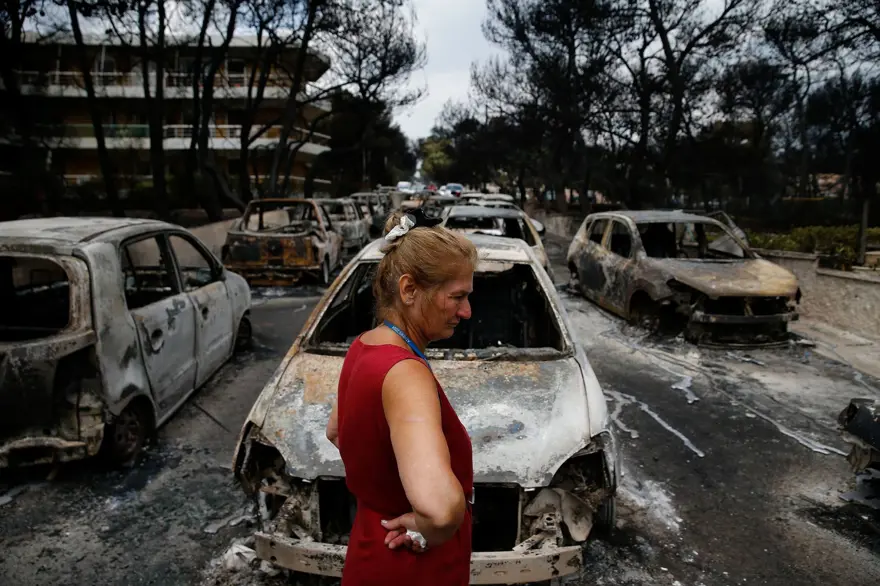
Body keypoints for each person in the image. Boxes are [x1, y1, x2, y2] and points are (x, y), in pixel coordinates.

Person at [325, 210, 478, 586]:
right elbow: (439, 509)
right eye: (456, 296)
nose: (467, 311)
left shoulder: (364, 346)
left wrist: (383, 485)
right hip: (410, 566)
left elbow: (335, 431)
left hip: (370, 546)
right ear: (409, 290)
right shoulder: (405, 374)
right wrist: (437, 527)